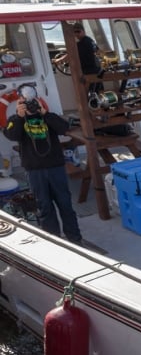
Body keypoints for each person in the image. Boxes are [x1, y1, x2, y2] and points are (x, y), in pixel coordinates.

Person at [2, 97, 82, 244]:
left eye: (33, 103)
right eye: (26, 104)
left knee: (65, 205)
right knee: (44, 207)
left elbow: (64, 128)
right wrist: (20, 116)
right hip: (35, 171)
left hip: (55, 168)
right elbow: (11, 135)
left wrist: (44, 113)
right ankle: (54, 242)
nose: (31, 107)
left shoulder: (49, 117)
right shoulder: (16, 120)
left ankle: (75, 240)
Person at [72, 23, 103, 93]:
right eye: (75, 32)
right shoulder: (90, 40)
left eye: (78, 32)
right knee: (97, 91)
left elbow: (71, 54)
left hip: (89, 71)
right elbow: (98, 51)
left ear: (83, 31)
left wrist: (59, 60)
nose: (76, 34)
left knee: (91, 93)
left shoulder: (82, 43)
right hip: (97, 70)